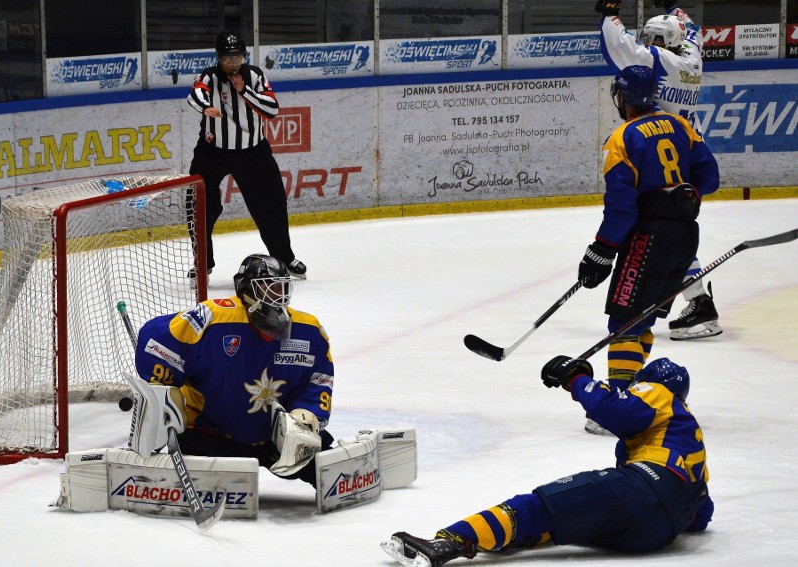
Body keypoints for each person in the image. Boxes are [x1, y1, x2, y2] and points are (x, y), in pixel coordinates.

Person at [381, 356, 713, 567]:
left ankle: (448, 542)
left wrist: (577, 379)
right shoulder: (687, 438)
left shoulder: (660, 396)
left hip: (641, 488)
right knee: (566, 519)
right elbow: (701, 515)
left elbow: (617, 410)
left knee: (536, 507)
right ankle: (513, 534)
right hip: (656, 534)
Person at [578, 64, 718, 434]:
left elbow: (621, 209)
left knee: (623, 322)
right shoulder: (680, 125)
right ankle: (633, 394)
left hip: (648, 239)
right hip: (686, 236)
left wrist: (601, 249)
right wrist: (676, 201)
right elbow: (710, 178)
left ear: (623, 97)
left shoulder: (622, 139)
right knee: (645, 317)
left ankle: (618, 406)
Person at [132, 254, 333, 486]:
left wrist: (305, 416)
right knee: (197, 465)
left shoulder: (309, 330)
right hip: (210, 435)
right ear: (246, 289)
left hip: (272, 439)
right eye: (269, 287)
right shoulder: (215, 318)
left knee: (324, 465)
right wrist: (164, 391)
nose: (278, 295)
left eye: (281, 287)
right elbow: (154, 339)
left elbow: (319, 381)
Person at [597, 0, 721, 340]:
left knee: (654, 232)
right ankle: (697, 301)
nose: (649, 43)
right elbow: (691, 29)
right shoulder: (691, 56)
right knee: (670, 231)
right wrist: (675, 7)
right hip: (684, 148)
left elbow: (618, 46)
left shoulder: (660, 61)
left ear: (666, 43)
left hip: (656, 149)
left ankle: (690, 302)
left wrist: (609, 13)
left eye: (654, 38)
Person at [185, 32, 306, 286]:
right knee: (197, 204)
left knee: (272, 203)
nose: (233, 62)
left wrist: (244, 90)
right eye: (228, 58)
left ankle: (283, 258)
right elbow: (194, 95)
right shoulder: (209, 75)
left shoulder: (254, 75)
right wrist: (206, 106)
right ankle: (203, 264)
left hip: (253, 152)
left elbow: (272, 109)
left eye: (237, 57)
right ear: (219, 58)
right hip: (212, 152)